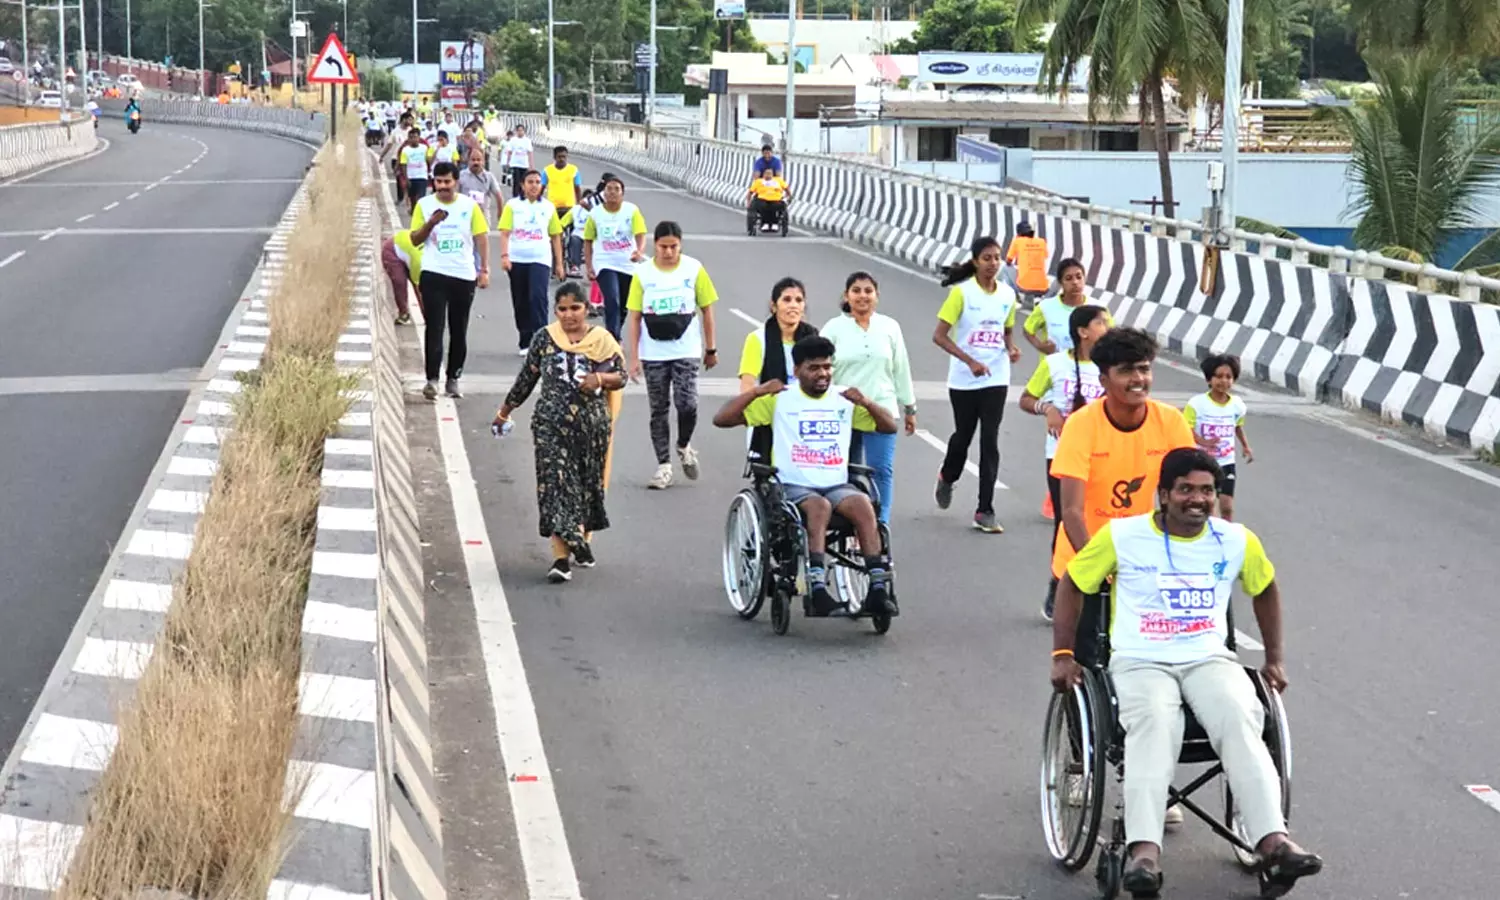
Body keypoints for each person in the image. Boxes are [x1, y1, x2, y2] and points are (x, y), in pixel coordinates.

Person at [1049, 447, 1323, 896]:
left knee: (1241, 715)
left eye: (1207, 491)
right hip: (1141, 659)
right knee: (1155, 724)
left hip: (1208, 659)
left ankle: (1273, 840)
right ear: (1163, 494)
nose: (1197, 499)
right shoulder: (1123, 536)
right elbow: (1074, 584)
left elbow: (1265, 589)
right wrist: (1063, 652)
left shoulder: (1235, 540)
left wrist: (1274, 657)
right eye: (1186, 490)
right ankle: (1144, 853)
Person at [712, 335, 898, 616]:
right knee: (818, 507)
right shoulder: (780, 400)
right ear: (797, 370)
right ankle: (818, 588)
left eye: (826, 367)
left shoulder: (844, 399)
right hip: (793, 485)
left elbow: (888, 427)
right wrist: (755, 392)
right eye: (814, 368)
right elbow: (722, 419)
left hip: (836, 483)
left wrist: (867, 402)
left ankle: (877, 589)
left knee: (863, 506)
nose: (822, 373)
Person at [1048, 326, 1198, 667]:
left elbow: (1191, 496)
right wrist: (1098, 565)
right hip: (1084, 560)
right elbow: (1070, 510)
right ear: (1103, 380)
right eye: (1126, 370)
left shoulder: (1171, 422)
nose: (1138, 379)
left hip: (1141, 563)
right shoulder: (1082, 425)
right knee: (1089, 663)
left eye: (1144, 368)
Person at [493, 283, 627, 584]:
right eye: (563, 309)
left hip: (590, 427)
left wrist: (600, 378)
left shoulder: (602, 341)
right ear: (556, 311)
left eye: (575, 308)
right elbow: (526, 379)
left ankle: (580, 540)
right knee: (554, 486)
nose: (569, 315)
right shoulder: (545, 339)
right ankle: (561, 557)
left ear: (587, 309)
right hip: (550, 426)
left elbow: (622, 377)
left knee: (579, 489)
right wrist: (504, 412)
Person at [1020, 304, 1109, 619]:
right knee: (1065, 523)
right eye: (1101, 322)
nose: (1107, 326)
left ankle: (1099, 587)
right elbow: (1026, 399)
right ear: (1083, 331)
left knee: (1103, 523)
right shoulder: (1055, 364)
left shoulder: (1112, 368)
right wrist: (1049, 410)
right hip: (1061, 457)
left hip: (1105, 457)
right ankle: (1058, 584)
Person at [932, 235, 1021, 533]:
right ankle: (948, 475)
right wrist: (969, 360)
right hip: (964, 379)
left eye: (997, 257)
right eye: (987, 258)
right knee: (963, 437)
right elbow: (940, 335)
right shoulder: (961, 294)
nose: (993, 263)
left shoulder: (1008, 295)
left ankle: (985, 509)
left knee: (990, 440)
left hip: (996, 376)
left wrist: (1011, 348)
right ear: (975, 261)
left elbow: (1007, 330)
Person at [624, 221, 720, 490]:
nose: (668, 252)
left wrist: (710, 349)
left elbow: (707, 310)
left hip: (686, 350)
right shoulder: (642, 274)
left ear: (680, 245)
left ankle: (684, 445)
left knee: (687, 403)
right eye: (663, 247)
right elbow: (634, 317)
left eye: (673, 246)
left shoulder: (694, 269)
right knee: (658, 409)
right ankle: (663, 465)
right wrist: (634, 357)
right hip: (653, 352)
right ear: (655, 245)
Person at [821, 272, 916, 525]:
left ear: (876, 296)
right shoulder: (833, 328)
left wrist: (910, 407)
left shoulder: (889, 327)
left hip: (881, 410)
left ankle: (880, 523)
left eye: (867, 291)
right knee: (846, 470)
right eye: (856, 290)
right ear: (846, 296)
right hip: (843, 412)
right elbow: (820, 367)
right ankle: (851, 521)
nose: (862, 296)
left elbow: (900, 367)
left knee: (881, 471)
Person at [410, 161, 491, 400]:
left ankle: (453, 378)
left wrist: (484, 269)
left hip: (463, 275)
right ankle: (432, 379)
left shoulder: (468, 206)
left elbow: (481, 237)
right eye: (439, 182)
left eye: (447, 182)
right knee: (434, 327)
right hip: (434, 273)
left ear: (456, 182)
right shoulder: (424, 205)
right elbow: (415, 239)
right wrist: (431, 222)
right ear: (433, 182)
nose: (443, 186)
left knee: (459, 329)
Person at [498, 169, 566, 355]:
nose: (534, 185)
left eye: (537, 182)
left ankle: (541, 341)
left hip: (540, 259)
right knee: (521, 301)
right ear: (523, 185)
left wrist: (559, 263)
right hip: (517, 258)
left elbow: (555, 236)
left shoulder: (548, 207)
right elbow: (504, 232)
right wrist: (505, 256)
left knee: (538, 298)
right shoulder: (512, 206)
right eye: (530, 182)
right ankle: (525, 340)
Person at [1184, 354, 1254, 521]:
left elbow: (1237, 426)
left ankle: (1225, 538)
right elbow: (1187, 428)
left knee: (1227, 507)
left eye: (1229, 377)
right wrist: (1203, 442)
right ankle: (1209, 535)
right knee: (1208, 506)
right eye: (1219, 376)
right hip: (1203, 462)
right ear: (1209, 380)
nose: (1224, 381)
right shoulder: (1196, 404)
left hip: (1226, 462)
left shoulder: (1237, 405)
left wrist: (1245, 446)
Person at [582, 174, 648, 340]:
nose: (612, 192)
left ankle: (614, 330)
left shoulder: (631, 211)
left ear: (622, 193)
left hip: (627, 263)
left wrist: (639, 251)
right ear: (604, 192)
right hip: (605, 262)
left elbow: (640, 234)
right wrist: (589, 266)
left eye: (616, 189)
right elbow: (588, 241)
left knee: (624, 304)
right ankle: (613, 338)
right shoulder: (596, 214)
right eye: (609, 189)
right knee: (612, 299)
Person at [381, 228, 423, 326]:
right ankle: (403, 313)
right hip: (392, 251)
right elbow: (419, 288)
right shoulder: (418, 262)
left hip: (408, 250)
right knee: (400, 282)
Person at [1006, 220, 1050, 303]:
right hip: (1043, 288)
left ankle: (1015, 297)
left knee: (1005, 268)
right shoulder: (1041, 241)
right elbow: (1045, 256)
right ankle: (1038, 297)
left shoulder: (1017, 241)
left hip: (1024, 287)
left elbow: (1008, 261)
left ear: (1018, 233)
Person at [396, 128, 430, 214]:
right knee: (413, 197)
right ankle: (413, 209)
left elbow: (428, 160)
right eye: (411, 137)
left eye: (415, 137)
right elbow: (403, 164)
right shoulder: (405, 150)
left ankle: (420, 212)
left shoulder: (424, 148)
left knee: (421, 197)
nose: (413, 139)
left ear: (419, 138)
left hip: (422, 176)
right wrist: (406, 178)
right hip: (411, 176)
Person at [746, 167, 791, 232]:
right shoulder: (758, 181)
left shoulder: (778, 180)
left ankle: (774, 223)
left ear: (772, 174)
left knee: (776, 206)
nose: (768, 175)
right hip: (762, 200)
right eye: (766, 173)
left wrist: (788, 197)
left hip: (776, 199)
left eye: (770, 173)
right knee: (763, 206)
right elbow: (750, 193)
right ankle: (765, 223)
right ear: (763, 174)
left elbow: (787, 190)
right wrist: (748, 203)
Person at [507, 124, 534, 198]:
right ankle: (515, 196)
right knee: (516, 181)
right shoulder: (513, 140)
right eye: (518, 130)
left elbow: (530, 153)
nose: (520, 132)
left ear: (524, 131)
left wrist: (531, 165)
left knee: (523, 181)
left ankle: (522, 195)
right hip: (515, 164)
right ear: (516, 131)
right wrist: (508, 162)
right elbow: (509, 151)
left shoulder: (527, 141)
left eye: (521, 130)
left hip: (524, 164)